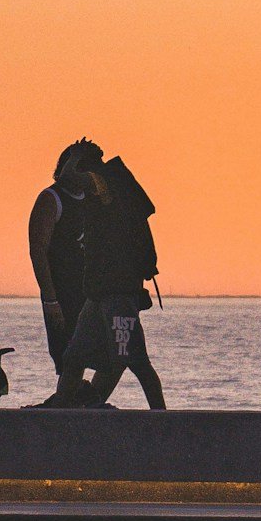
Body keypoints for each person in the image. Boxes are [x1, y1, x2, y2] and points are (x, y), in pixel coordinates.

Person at [46, 149, 167, 409]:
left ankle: (162, 418)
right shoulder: (108, 185)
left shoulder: (104, 183)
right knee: (74, 357)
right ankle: (59, 413)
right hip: (98, 294)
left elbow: (68, 177)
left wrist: (76, 153)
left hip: (118, 295)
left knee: (135, 361)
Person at [27, 141, 98, 370]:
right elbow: (38, 251)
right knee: (66, 356)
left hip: (89, 292)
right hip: (61, 292)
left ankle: (84, 397)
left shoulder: (92, 199)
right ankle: (68, 399)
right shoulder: (51, 199)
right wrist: (50, 299)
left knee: (104, 355)